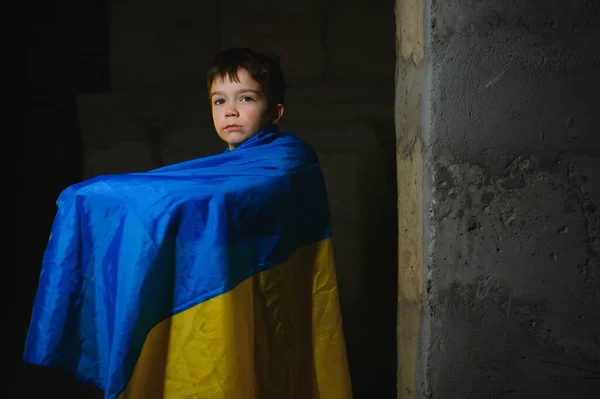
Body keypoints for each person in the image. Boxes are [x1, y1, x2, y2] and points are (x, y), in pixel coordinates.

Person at [23, 48, 353, 399]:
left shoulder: (291, 158)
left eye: (246, 98)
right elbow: (200, 198)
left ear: (275, 112)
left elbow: (225, 197)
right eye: (218, 101)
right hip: (220, 294)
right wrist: (99, 198)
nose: (231, 111)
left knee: (262, 375)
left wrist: (132, 195)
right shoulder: (221, 167)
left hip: (265, 298)